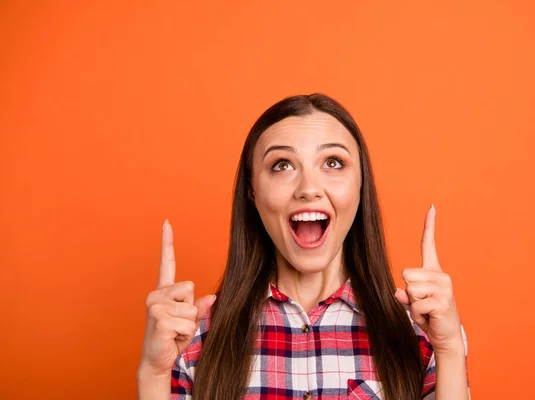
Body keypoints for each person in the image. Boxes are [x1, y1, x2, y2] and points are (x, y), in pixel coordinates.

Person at [137, 94, 469, 400]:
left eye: (333, 163)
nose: (309, 188)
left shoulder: (420, 335)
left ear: (360, 185)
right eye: (282, 165)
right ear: (252, 191)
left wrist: (450, 348)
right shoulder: (195, 338)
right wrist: (153, 373)